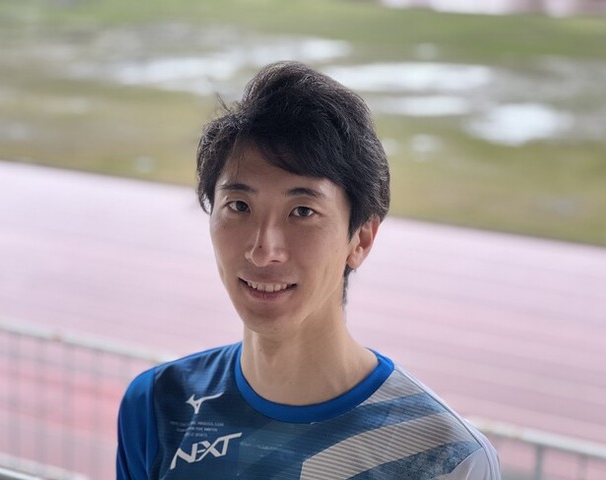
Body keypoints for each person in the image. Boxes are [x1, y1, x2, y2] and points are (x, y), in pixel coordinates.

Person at [116, 61, 500, 479]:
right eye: (239, 206)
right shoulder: (159, 407)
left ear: (361, 239)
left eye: (302, 211)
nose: (263, 251)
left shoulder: (446, 460)